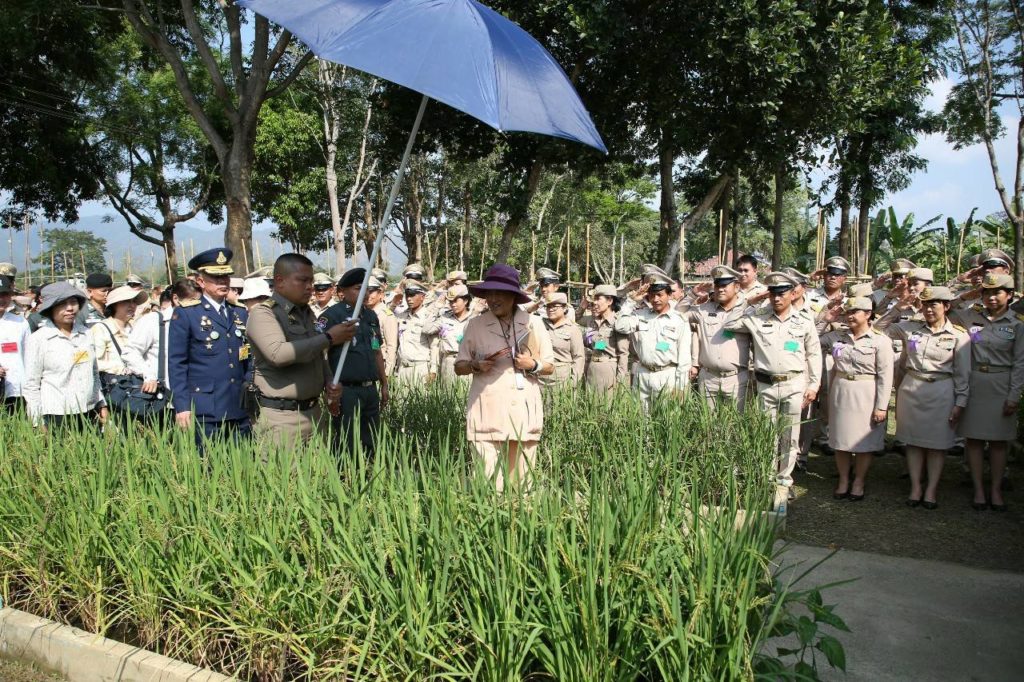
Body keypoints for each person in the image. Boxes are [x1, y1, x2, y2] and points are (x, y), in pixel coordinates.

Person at [455, 264, 554, 491]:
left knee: (523, 485)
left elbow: (549, 366)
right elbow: (459, 366)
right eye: (489, 293)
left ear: (513, 296)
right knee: (488, 483)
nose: (493, 298)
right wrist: (475, 365)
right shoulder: (476, 325)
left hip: (523, 409)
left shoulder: (534, 324)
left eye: (499, 293)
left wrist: (533, 364)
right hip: (486, 408)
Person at [723, 272, 822, 494]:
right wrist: (751, 300)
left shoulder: (804, 320)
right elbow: (729, 322)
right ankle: (766, 476)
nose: (777, 299)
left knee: (789, 434)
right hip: (765, 385)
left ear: (792, 293)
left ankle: (784, 477)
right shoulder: (757, 318)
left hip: (793, 384)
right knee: (766, 432)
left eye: (782, 293)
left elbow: (814, 354)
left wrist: (814, 385)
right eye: (773, 294)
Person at [245, 254, 352, 448]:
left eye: (311, 280)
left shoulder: (307, 314)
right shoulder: (264, 313)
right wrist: (329, 338)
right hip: (282, 418)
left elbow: (318, 356)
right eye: (303, 280)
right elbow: (277, 354)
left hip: (313, 413)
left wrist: (329, 381)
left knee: (320, 476)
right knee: (284, 477)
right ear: (280, 281)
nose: (310, 286)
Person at [878, 286, 970, 509]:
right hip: (911, 388)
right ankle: (916, 486)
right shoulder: (911, 329)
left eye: (934, 304)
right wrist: (898, 306)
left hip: (942, 390)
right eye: (925, 304)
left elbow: (963, 372)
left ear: (946, 306)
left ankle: (931, 489)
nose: (928, 309)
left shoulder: (958, 335)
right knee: (914, 442)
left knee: (938, 444)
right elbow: (877, 328)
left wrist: (960, 402)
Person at [950, 273, 1024, 511]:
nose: (992, 297)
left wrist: (1014, 395)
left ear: (1010, 295)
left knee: (999, 442)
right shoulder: (970, 316)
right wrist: (968, 294)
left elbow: (1021, 362)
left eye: (997, 292)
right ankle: (979, 489)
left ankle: (995, 489)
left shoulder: (1017, 323)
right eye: (987, 292)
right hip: (974, 382)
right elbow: (945, 308)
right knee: (973, 439)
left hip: (1002, 383)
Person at [168, 248, 253, 447]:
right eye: (216, 277)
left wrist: (249, 386)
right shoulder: (187, 314)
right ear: (200, 281)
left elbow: (249, 356)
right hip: (205, 407)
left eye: (226, 277)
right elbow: (177, 363)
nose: (223, 282)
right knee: (208, 468)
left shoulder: (239, 313)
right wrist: (182, 406)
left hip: (238, 404)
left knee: (243, 467)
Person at [819, 297, 894, 501]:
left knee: (864, 441)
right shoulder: (837, 337)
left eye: (855, 312)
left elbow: (886, 376)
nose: (849, 316)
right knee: (840, 439)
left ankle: (859, 480)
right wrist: (825, 319)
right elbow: (811, 340)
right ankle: (843, 479)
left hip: (866, 391)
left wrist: (881, 406)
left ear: (868, 314)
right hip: (841, 390)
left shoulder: (880, 340)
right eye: (847, 312)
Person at [318, 268, 389, 457]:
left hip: (369, 389)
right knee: (346, 440)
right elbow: (320, 353)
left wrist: (384, 383)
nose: (365, 293)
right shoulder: (333, 316)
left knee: (372, 438)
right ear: (342, 291)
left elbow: (376, 351)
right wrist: (330, 387)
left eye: (367, 289)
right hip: (346, 390)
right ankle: (345, 479)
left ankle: (369, 475)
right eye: (358, 288)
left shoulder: (371, 316)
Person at [23, 282, 108, 431]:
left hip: (88, 410)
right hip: (56, 414)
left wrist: (101, 403)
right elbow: (31, 385)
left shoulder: (86, 333)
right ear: (50, 308)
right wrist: (38, 421)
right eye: (62, 304)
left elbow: (94, 373)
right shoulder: (39, 339)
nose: (70, 308)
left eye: (73, 302)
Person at [123, 280, 201, 417]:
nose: (197, 306)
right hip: (162, 400)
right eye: (192, 301)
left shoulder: (201, 321)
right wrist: (148, 375)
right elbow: (131, 351)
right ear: (176, 299)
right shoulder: (153, 321)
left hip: (195, 397)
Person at [615, 273, 692, 408]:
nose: (655, 299)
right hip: (642, 374)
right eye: (652, 295)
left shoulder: (679, 320)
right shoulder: (641, 316)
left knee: (666, 421)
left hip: (667, 375)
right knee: (641, 421)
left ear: (669, 295)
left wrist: (680, 387)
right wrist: (632, 301)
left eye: (660, 295)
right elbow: (620, 326)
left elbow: (684, 358)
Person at [686, 266, 752, 411]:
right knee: (707, 426)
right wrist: (692, 294)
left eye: (724, 285)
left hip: (736, 378)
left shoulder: (748, 311)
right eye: (717, 285)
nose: (720, 289)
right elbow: (678, 315)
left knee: (735, 425)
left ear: (736, 287)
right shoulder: (704, 310)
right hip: (708, 377)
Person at [91, 286, 149, 413]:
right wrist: (119, 368)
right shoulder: (101, 329)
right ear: (114, 305)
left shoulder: (136, 328)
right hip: (115, 391)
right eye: (126, 302)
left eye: (134, 302)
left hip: (137, 390)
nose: (132, 306)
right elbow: (95, 363)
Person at [424, 284, 474, 383]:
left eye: (456, 301)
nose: (453, 304)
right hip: (448, 362)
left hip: (468, 362)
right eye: (450, 301)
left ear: (466, 300)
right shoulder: (444, 317)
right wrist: (437, 308)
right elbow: (427, 329)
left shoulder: (474, 318)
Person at [582, 284, 629, 391]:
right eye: (594, 299)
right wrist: (582, 306)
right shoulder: (593, 321)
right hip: (592, 368)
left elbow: (623, 353)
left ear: (609, 301)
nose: (594, 302)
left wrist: (620, 380)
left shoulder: (618, 322)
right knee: (591, 405)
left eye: (598, 299)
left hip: (609, 368)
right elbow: (575, 318)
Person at [0, 276, 30, 412]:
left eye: (5, 294)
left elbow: (29, 355)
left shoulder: (20, 322)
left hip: (17, 389)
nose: (1, 299)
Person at [541, 292, 585, 387]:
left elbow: (579, 357)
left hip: (562, 379)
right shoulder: (540, 325)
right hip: (541, 378)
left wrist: (574, 382)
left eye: (554, 306)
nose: (551, 309)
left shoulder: (572, 329)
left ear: (564, 308)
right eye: (548, 307)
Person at [395, 278, 434, 382]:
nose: (409, 299)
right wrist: (394, 299)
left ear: (422, 297)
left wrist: (433, 370)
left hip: (420, 369)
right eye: (407, 295)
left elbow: (434, 345)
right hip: (402, 368)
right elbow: (385, 315)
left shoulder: (428, 317)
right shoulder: (402, 316)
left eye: (412, 295)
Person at [368, 278, 399, 377]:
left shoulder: (386, 315)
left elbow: (391, 346)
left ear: (381, 294)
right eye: (365, 292)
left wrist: (388, 373)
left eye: (371, 292)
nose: (368, 295)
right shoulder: (363, 314)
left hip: (380, 364)